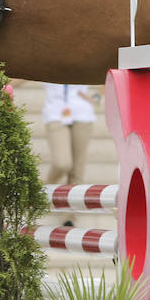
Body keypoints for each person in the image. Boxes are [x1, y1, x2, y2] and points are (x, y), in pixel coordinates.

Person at [40, 84, 98, 225]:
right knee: (62, 163)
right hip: (55, 114)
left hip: (82, 114)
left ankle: (69, 217)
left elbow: (107, 74)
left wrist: (96, 97)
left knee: (76, 171)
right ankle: (42, 191)